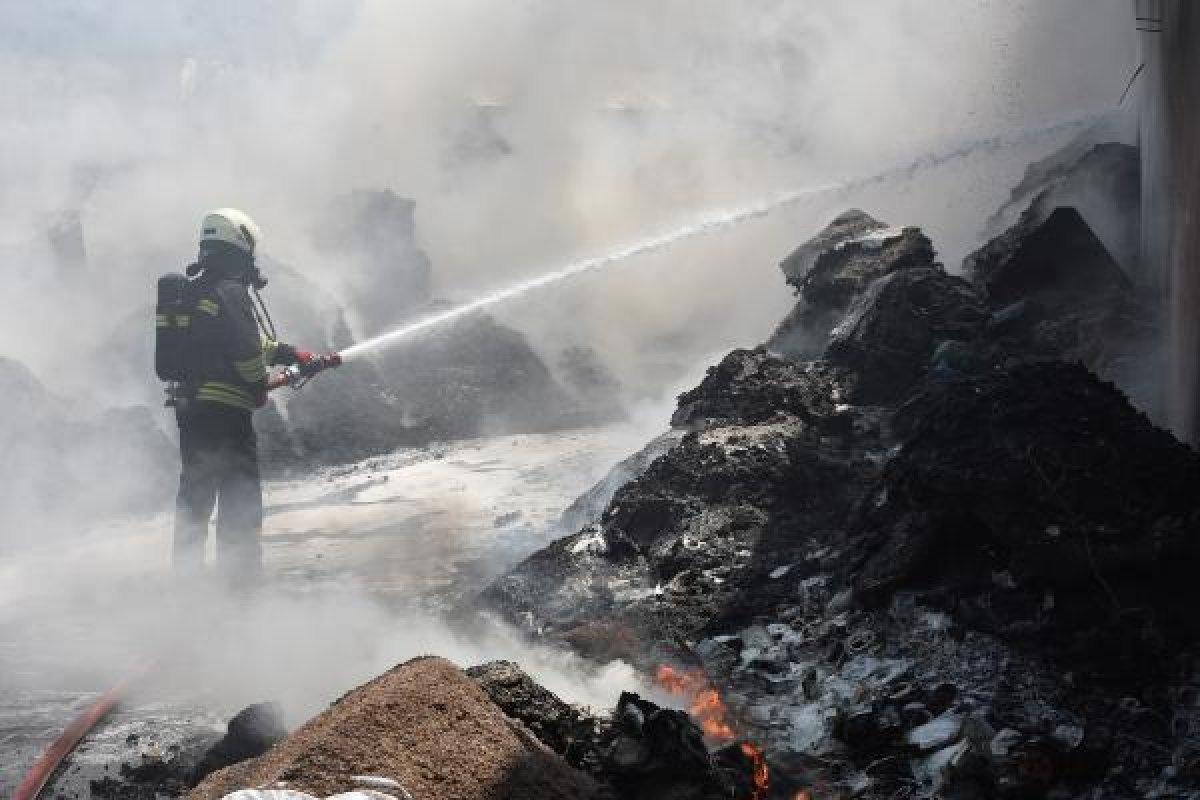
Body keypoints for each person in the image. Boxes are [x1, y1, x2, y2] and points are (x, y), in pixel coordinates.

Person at [172, 208, 318, 581]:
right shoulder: (232, 293)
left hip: (191, 412)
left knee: (195, 496)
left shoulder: (194, 291)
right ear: (239, 246)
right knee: (240, 499)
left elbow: (236, 342)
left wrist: (290, 354)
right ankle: (239, 591)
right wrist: (258, 386)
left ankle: (183, 584)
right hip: (227, 417)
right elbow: (247, 354)